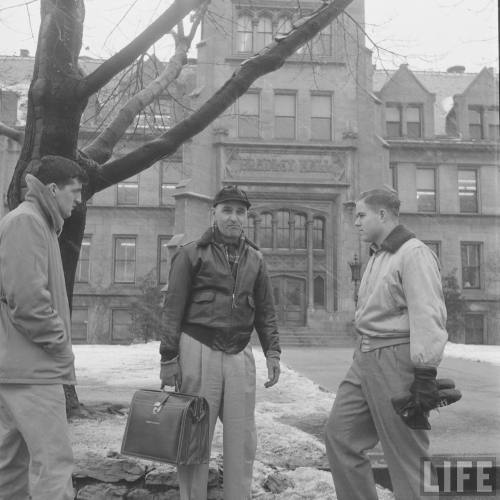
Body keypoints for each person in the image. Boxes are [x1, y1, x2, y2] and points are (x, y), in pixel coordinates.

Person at [325, 188, 447, 500]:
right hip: (364, 358)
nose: (356, 223)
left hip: (395, 359)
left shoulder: (413, 253)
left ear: (382, 215)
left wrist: (424, 374)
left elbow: (427, 314)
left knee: (407, 457)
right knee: (341, 437)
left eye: (361, 215)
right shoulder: (380, 255)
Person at [160, 185, 281, 500]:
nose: (234, 217)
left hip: (240, 352)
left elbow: (266, 311)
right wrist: (168, 358)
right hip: (198, 347)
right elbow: (172, 308)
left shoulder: (255, 258)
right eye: (227, 210)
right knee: (194, 438)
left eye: (240, 211)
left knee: (242, 441)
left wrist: (273, 352)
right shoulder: (190, 253)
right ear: (212, 213)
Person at [0, 155, 86, 500]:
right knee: (53, 465)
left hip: (18, 367)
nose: (79, 200)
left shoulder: (35, 221)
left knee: (10, 466)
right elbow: (28, 300)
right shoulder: (28, 222)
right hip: (33, 370)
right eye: (75, 191)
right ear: (52, 189)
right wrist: (60, 344)